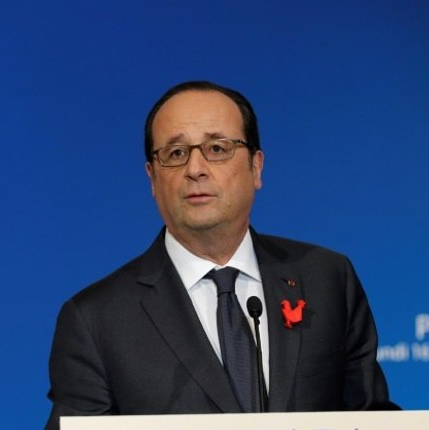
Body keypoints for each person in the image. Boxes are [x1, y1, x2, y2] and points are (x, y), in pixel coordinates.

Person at [45, 81, 396, 429]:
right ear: (152, 178)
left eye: (217, 148)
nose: (195, 169)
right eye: (176, 153)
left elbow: (369, 416)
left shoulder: (327, 279)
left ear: (256, 167)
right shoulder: (96, 320)